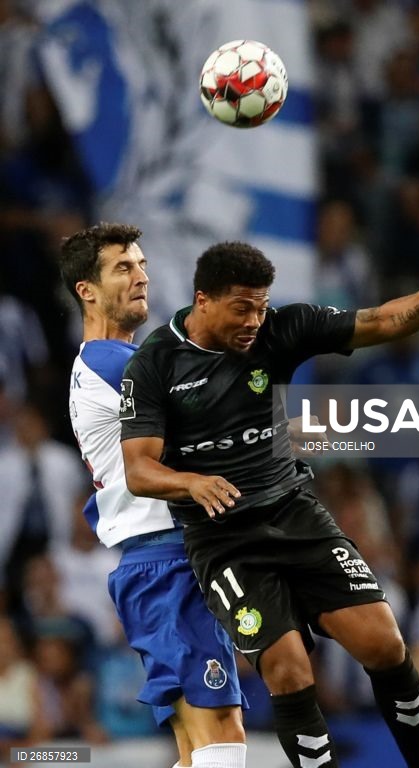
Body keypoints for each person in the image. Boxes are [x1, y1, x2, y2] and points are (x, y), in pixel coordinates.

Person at [120, 240, 419, 768]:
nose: (253, 320)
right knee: (289, 669)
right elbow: (138, 469)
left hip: (293, 511)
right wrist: (191, 483)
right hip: (225, 540)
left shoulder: (281, 329)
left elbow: (385, 321)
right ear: (203, 300)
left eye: (261, 306)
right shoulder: (154, 364)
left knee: (384, 644)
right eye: (241, 307)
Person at [59, 224, 247, 768]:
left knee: (196, 745)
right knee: (221, 737)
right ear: (86, 290)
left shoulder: (112, 364)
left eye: (142, 264)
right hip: (169, 561)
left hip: (162, 562)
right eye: (123, 267)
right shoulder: (118, 365)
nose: (142, 276)